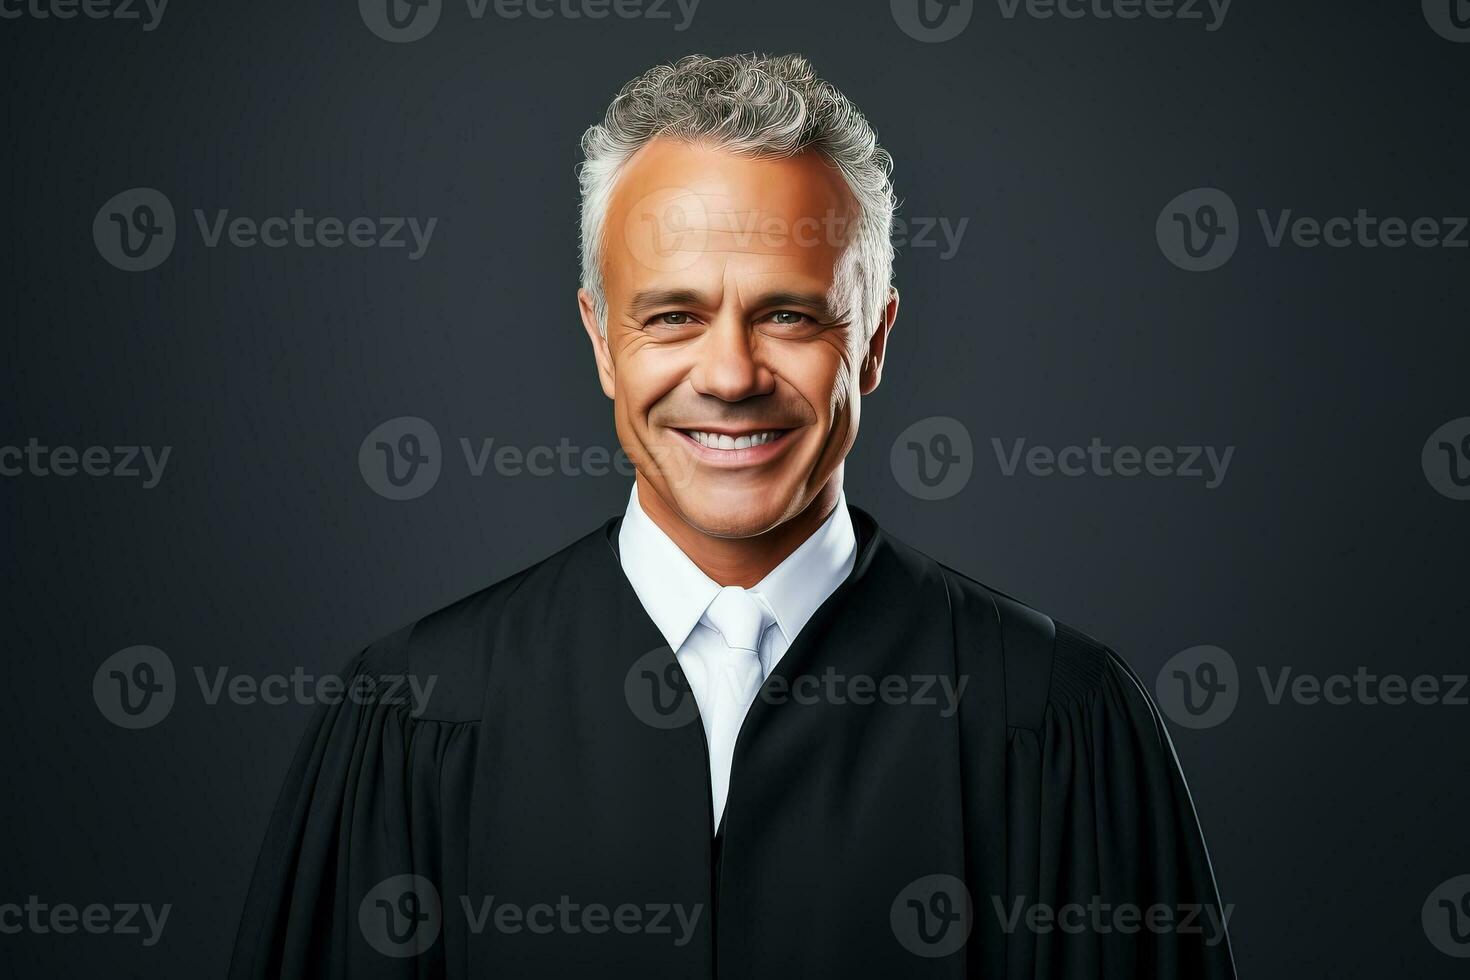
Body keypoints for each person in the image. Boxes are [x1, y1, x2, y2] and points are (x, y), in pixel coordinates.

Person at [230, 52, 1236, 979]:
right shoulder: (415, 717)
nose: (728, 375)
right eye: (672, 315)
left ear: (875, 340)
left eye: (788, 314)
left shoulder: (1058, 720)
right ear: (599, 340)